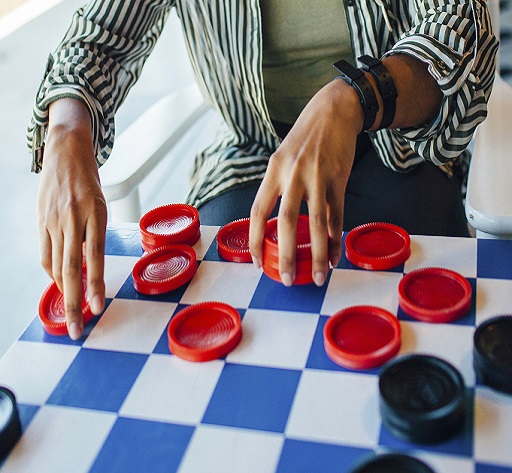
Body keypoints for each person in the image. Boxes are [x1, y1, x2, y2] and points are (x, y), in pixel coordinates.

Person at [28, 0, 498, 339]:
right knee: (214, 308)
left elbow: (461, 26)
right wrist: (66, 131)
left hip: (399, 145)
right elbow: (99, 40)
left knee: (425, 325)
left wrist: (354, 96)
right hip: (253, 152)